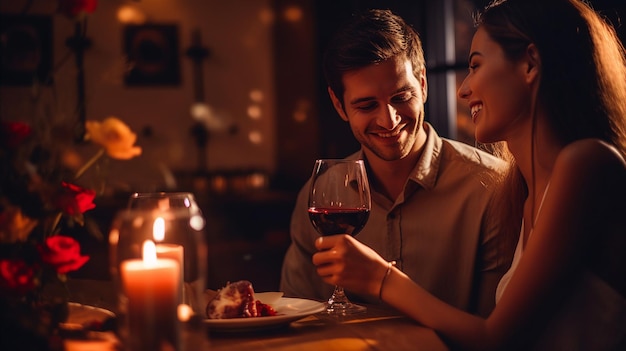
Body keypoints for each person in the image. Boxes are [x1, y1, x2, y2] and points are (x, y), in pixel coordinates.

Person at [311, 0, 626, 349]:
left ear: (530, 64)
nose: (463, 89)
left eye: (476, 66)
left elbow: (497, 339)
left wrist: (381, 278)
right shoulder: (523, 190)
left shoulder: (585, 163)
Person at [280, 9, 515, 317]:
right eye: (366, 105)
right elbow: (297, 317)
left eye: (401, 97)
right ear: (339, 105)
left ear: (423, 85)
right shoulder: (318, 193)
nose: (388, 119)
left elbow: (496, 330)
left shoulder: (492, 188)